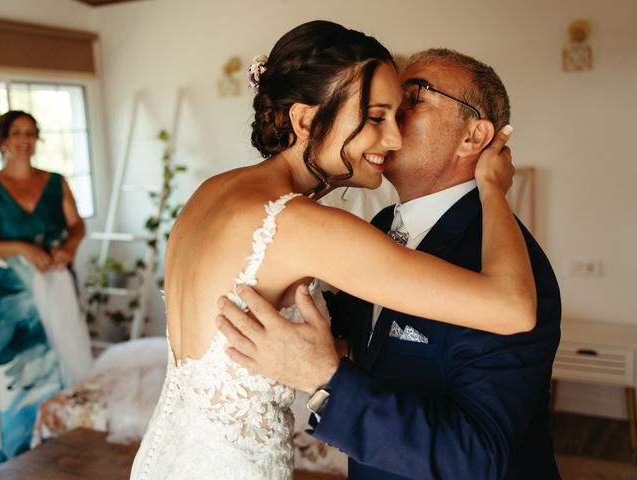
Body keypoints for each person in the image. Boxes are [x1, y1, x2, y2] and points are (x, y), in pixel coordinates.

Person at [131, 22, 535, 480]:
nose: (394, 137)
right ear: (305, 120)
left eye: (402, 111)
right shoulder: (303, 225)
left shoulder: (214, 192)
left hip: (166, 457)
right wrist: (494, 188)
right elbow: (513, 307)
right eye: (377, 117)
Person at [218, 48, 562, 480]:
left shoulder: (510, 271)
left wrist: (327, 380)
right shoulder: (380, 227)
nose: (389, 119)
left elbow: (478, 457)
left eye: (413, 98)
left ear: (473, 137)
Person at [0, 110, 86, 463]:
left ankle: (66, 444)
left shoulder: (55, 181)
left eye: (31, 132)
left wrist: (68, 248)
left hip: (57, 281)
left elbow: (77, 225)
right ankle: (19, 451)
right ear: (2, 140)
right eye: (17, 132)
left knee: (65, 358)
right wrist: (21, 247)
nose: (25, 138)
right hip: (12, 297)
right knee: (20, 372)